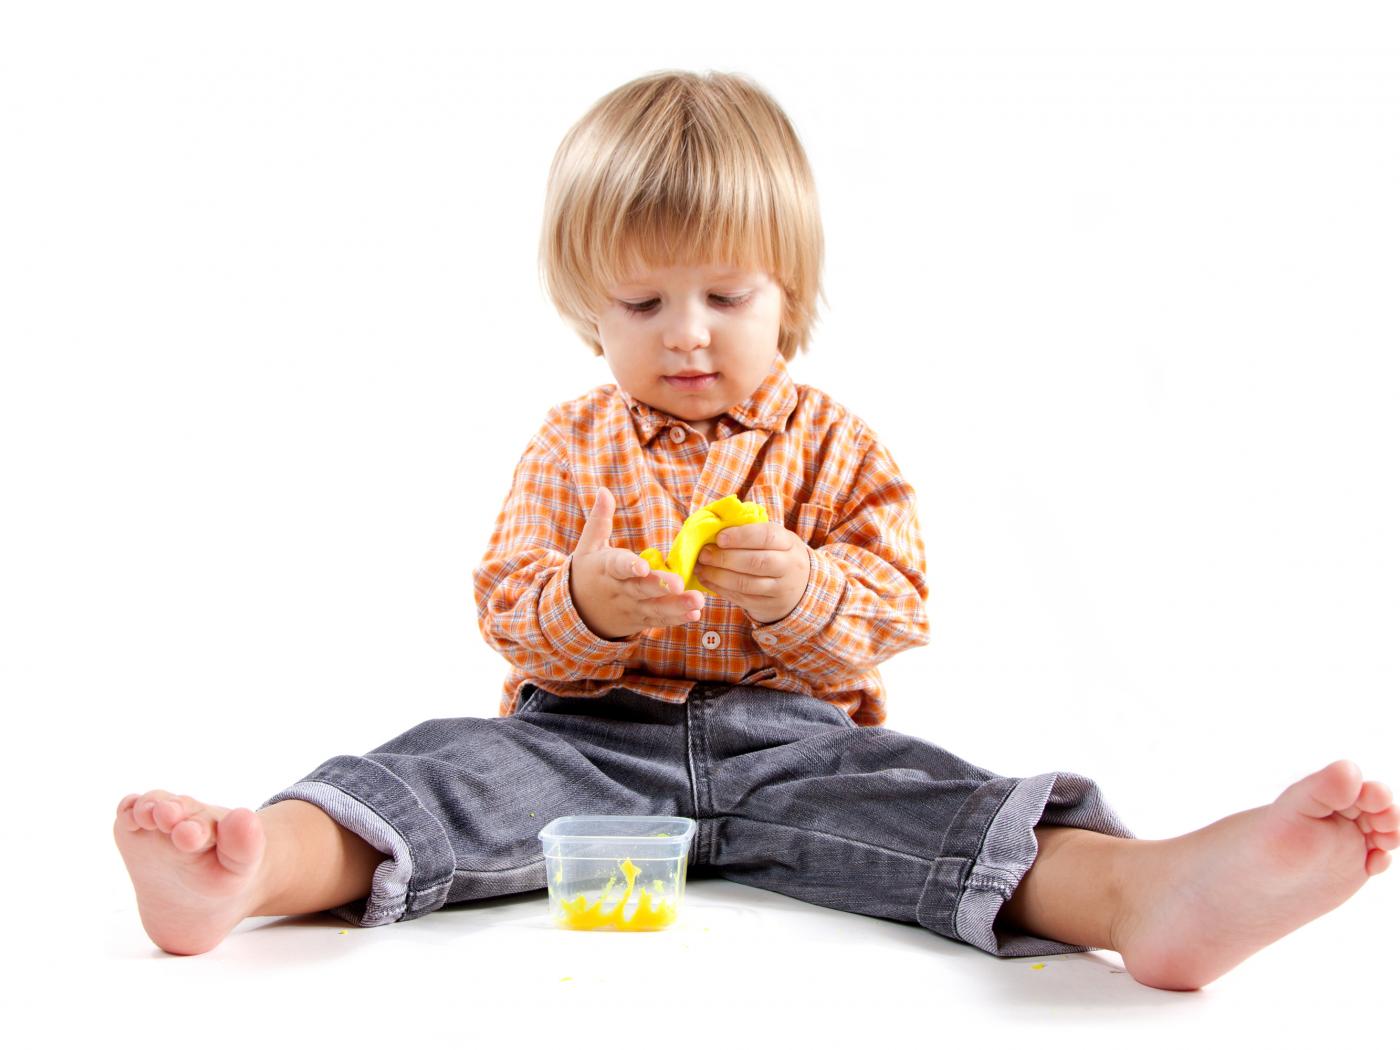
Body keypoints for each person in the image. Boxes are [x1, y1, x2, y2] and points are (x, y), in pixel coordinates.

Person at [113, 70, 1395, 990]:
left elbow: (896, 602)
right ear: (587, 313)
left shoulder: (833, 443)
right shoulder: (571, 443)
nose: (685, 333)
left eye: (725, 295)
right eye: (642, 302)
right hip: (586, 745)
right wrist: (584, 603)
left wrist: (798, 591)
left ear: (790, 295)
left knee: (930, 807)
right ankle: (249, 868)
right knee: (448, 771)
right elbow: (507, 603)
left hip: (796, 745)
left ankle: (1145, 895)